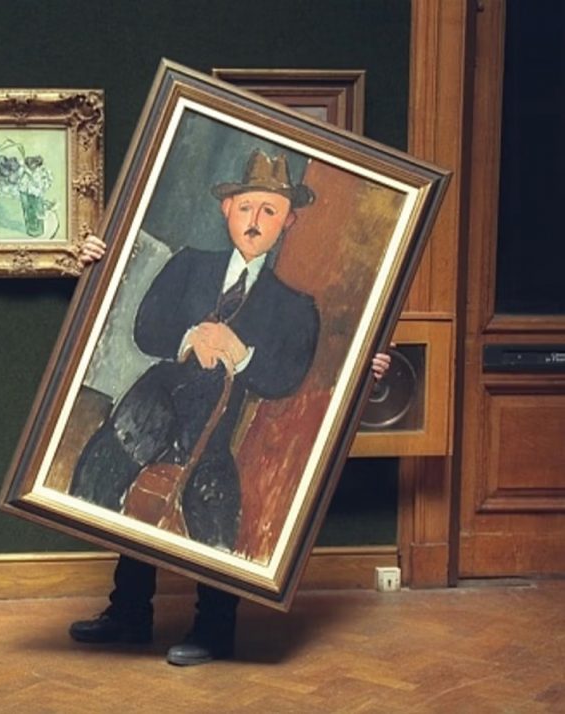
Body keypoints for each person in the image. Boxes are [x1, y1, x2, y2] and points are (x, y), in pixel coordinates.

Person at [70, 149, 392, 666]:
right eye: (245, 208)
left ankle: (215, 627)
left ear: (288, 221)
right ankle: (128, 612)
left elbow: (288, 377)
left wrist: (243, 356)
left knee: (213, 498)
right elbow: (146, 329)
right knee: (112, 463)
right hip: (156, 403)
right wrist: (188, 335)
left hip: (220, 426)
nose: (254, 221)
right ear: (226, 210)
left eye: (269, 211)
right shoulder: (189, 264)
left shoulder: (294, 307)